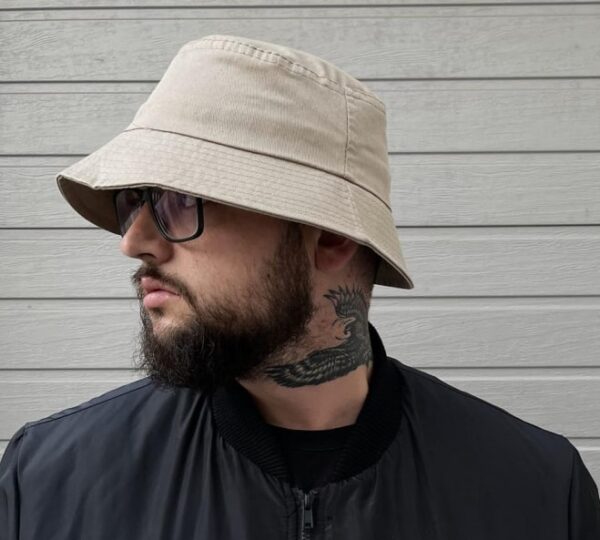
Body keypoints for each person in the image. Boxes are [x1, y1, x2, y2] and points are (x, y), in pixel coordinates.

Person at [1, 34, 599, 539]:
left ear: (331, 238)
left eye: (180, 200)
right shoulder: (52, 481)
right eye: (134, 201)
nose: (133, 241)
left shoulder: (539, 492)